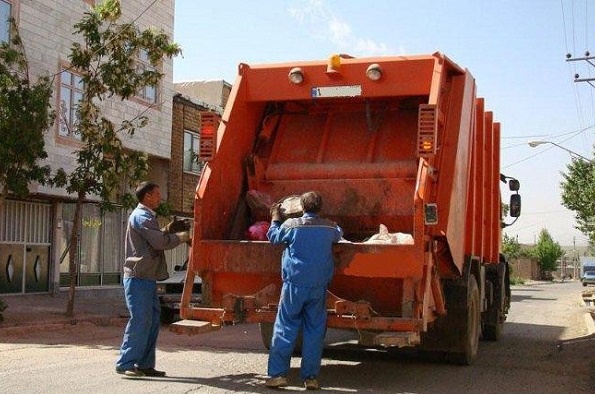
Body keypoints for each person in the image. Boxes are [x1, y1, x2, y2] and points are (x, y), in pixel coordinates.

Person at [265, 191, 343, 390]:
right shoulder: (329, 227)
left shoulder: (292, 226)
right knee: (314, 331)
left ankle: (278, 375)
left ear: (301, 207)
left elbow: (273, 237)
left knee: (285, 327)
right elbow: (339, 234)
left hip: (294, 286)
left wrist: (275, 218)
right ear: (320, 208)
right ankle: (310, 378)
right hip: (318, 287)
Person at [115, 181, 191, 377]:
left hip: (146, 278)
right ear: (147, 196)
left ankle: (145, 364)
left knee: (151, 321)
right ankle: (126, 363)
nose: (160, 197)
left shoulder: (146, 217)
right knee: (140, 321)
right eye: (156, 194)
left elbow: (153, 238)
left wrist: (168, 229)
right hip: (138, 278)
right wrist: (182, 237)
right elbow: (158, 242)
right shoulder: (142, 216)